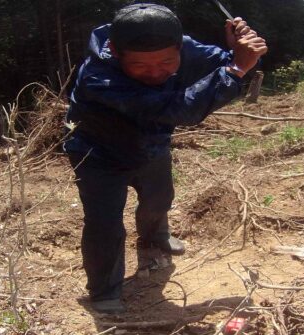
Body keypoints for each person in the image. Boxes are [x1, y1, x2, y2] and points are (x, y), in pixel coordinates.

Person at [64, 3, 267, 314]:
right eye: (142, 66)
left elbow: (232, 60)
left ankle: (155, 236)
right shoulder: (97, 76)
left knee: (159, 198)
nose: (156, 71)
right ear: (117, 53)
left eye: (167, 62)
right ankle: (104, 291)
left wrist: (239, 50)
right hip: (97, 153)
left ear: (178, 47)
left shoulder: (183, 48)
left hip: (151, 144)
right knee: (104, 223)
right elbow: (179, 109)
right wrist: (237, 69)